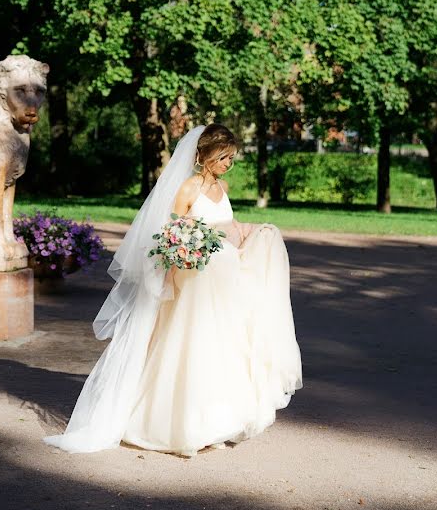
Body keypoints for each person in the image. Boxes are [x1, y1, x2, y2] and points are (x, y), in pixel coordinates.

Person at [44, 124, 302, 456]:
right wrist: (182, 258)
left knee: (221, 345)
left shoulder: (222, 187)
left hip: (224, 282)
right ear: (204, 155)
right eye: (223, 157)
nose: (228, 164)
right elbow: (171, 233)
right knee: (190, 344)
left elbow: (227, 226)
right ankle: (182, 425)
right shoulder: (187, 189)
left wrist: (252, 232)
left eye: (232, 158)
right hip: (195, 282)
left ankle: (216, 419)